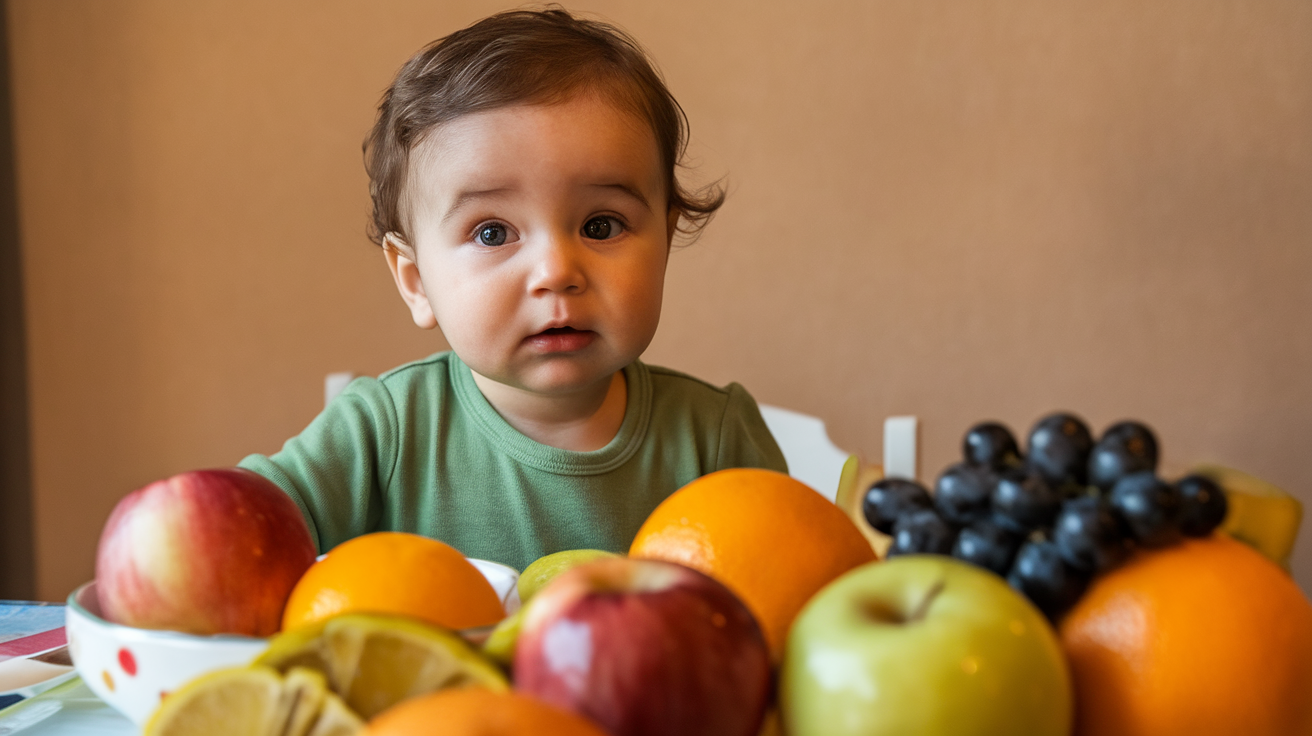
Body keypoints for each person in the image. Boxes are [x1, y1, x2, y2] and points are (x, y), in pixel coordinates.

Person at [239, 8, 786, 572]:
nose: (555, 270)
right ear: (416, 280)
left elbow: (787, 594)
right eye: (492, 232)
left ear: (665, 243)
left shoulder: (715, 440)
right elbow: (236, 526)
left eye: (601, 225)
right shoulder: (382, 433)